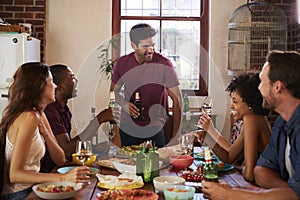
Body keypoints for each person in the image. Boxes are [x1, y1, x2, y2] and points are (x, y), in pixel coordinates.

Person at [201, 50, 300, 200]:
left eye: (262, 82)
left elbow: (250, 172)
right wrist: (290, 194)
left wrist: (231, 194)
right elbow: (260, 171)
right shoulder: (282, 123)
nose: (259, 89)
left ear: (277, 87)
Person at [0, 62, 90, 199]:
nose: (55, 86)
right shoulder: (28, 117)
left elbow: (60, 159)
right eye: (51, 82)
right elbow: (14, 175)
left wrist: (46, 133)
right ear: (40, 87)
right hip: (18, 194)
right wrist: (63, 178)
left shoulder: (39, 114)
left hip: (33, 188)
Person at [110, 23, 182, 148]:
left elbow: (178, 100)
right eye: (145, 46)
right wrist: (125, 105)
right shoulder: (122, 63)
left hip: (156, 125)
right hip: (128, 125)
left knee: (156, 165)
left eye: (152, 45)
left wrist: (176, 136)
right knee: (126, 164)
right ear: (133, 46)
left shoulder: (164, 64)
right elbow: (112, 93)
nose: (150, 50)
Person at [41, 64, 120, 172]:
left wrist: (95, 148)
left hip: (64, 167)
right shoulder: (50, 110)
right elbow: (66, 151)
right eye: (72, 77)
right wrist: (99, 119)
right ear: (58, 86)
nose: (76, 81)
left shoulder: (64, 109)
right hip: (51, 173)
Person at [197, 72, 271, 181]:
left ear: (250, 104)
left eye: (235, 101)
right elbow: (229, 157)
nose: (231, 105)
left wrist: (242, 166)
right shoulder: (249, 120)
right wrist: (207, 138)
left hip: (264, 186)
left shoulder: (252, 119)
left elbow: (249, 175)